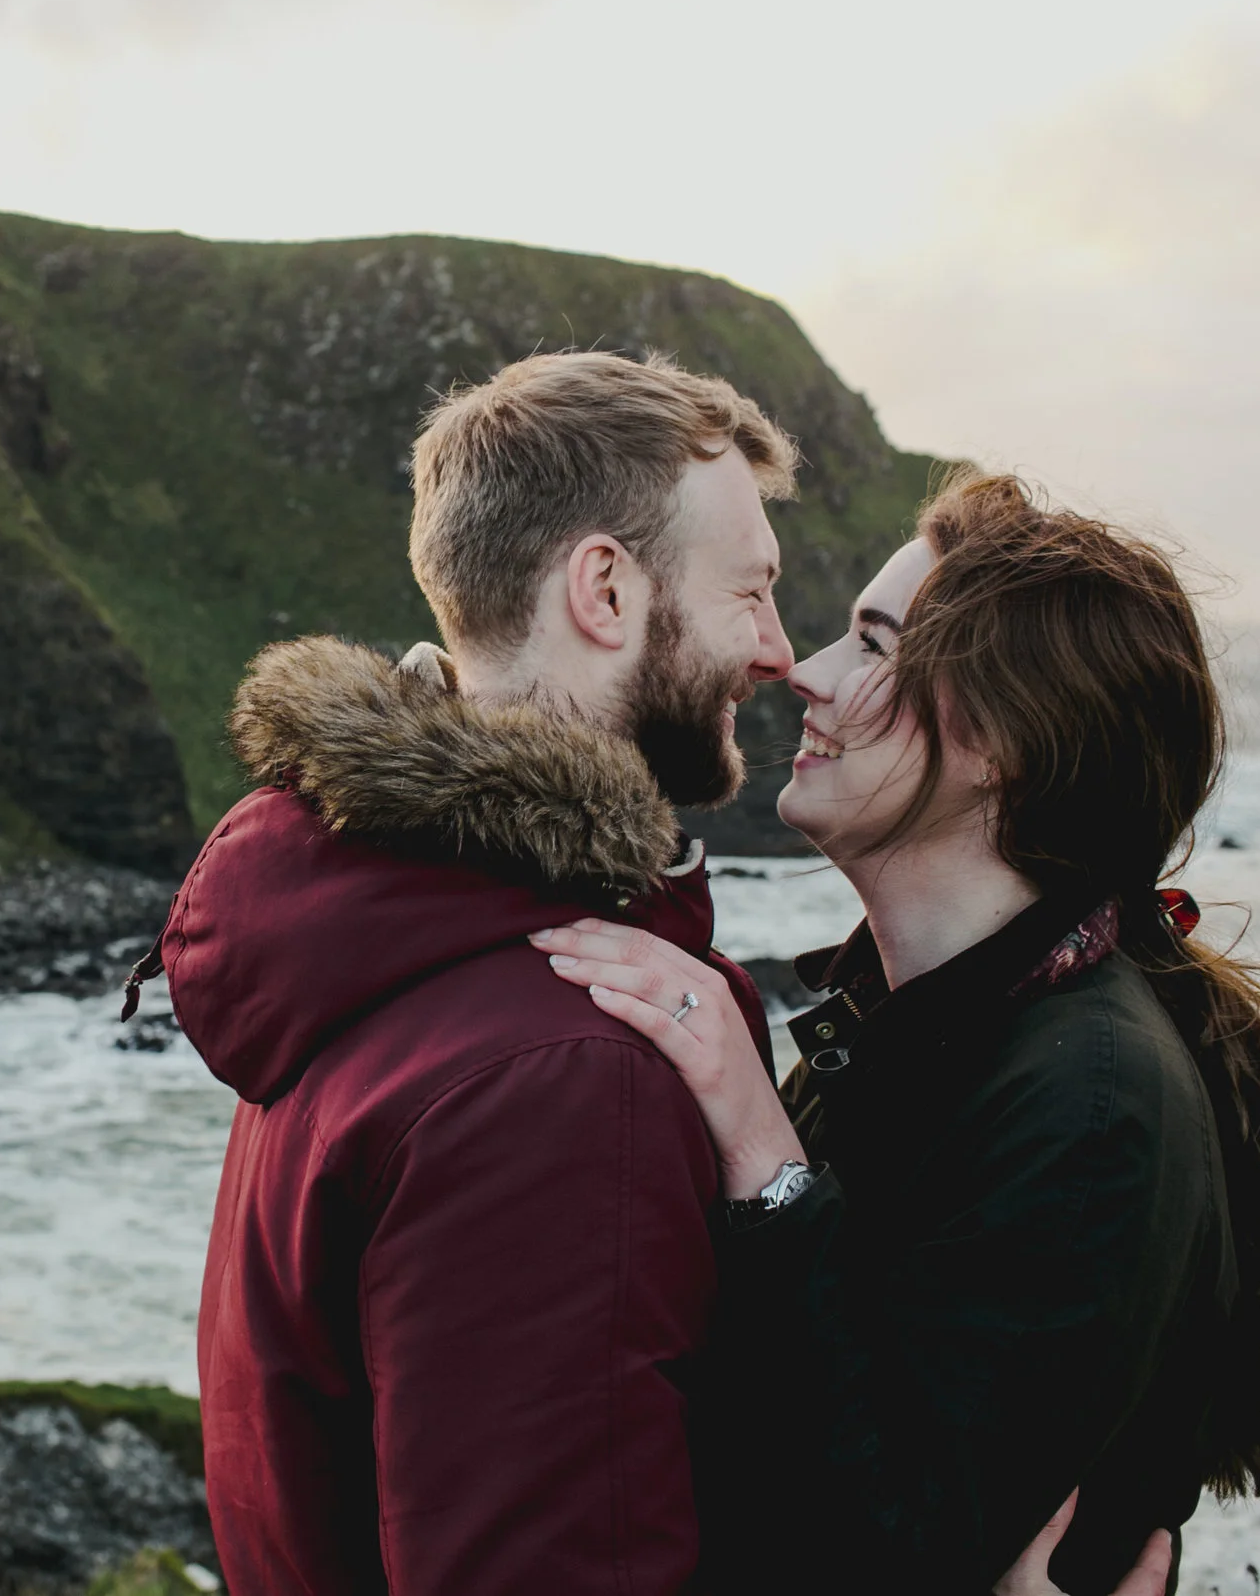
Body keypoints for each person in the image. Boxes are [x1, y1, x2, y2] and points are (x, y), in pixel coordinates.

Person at [138, 353, 1167, 1594]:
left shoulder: (356, 932)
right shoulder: (568, 1067)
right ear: (606, 589)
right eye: (753, 590)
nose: (782, 653)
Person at [537, 471, 1260, 1594]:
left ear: (1001, 738)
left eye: (871, 646)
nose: (803, 672)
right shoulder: (922, 1027)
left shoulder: (1090, 1103)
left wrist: (767, 1165)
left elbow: (878, 1543)